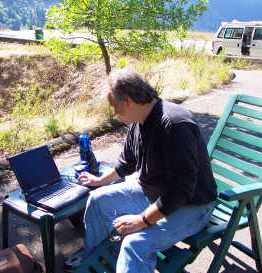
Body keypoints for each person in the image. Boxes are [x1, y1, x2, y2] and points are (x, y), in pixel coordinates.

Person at [65, 68, 218, 273]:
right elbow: (125, 163)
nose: (114, 113)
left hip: (191, 206)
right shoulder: (139, 121)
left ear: (127, 100)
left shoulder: (174, 124)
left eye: (114, 106)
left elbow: (180, 190)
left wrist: (142, 220)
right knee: (96, 201)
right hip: (154, 194)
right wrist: (99, 181)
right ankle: (94, 257)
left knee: (134, 244)